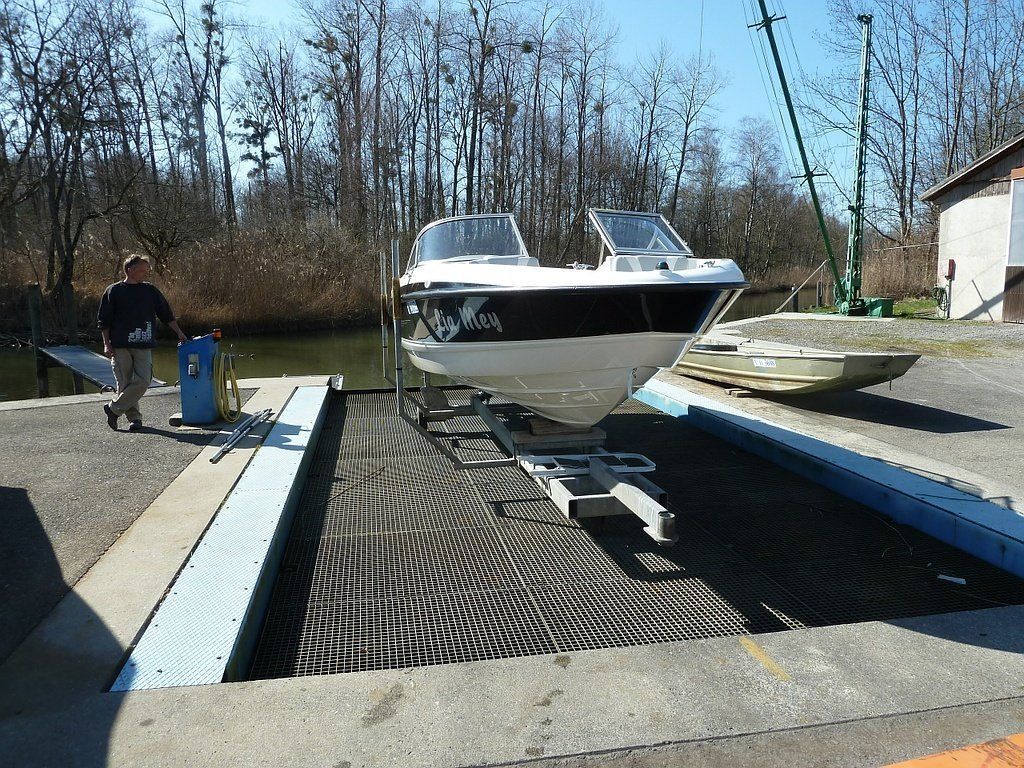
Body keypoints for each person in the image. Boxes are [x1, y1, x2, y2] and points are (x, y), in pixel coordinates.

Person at [97, 254, 187, 431]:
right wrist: (106, 343)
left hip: (144, 343)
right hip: (120, 344)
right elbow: (104, 320)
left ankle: (113, 409)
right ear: (130, 270)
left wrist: (179, 332)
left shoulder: (149, 290)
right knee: (124, 383)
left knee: (144, 380)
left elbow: (165, 313)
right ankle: (135, 419)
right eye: (142, 270)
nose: (145, 273)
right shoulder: (113, 291)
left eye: (146, 270)